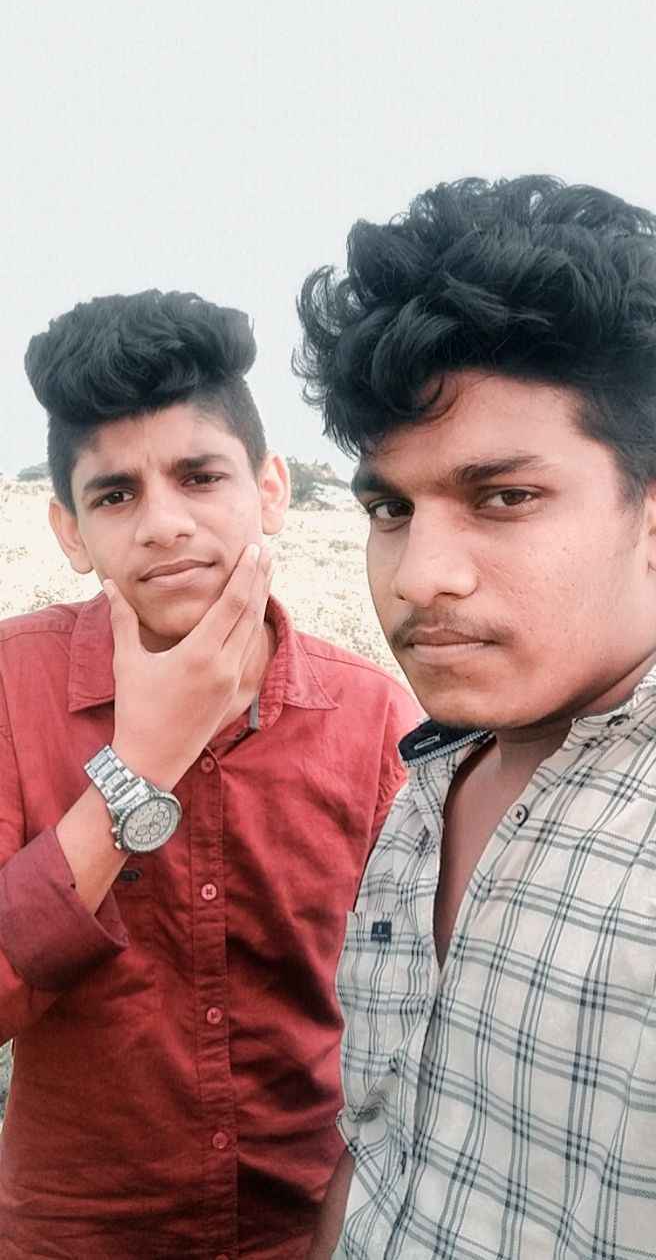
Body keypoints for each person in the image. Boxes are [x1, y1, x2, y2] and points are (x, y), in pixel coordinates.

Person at [0, 290, 417, 1260]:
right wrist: (140, 765)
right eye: (116, 494)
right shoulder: (12, 689)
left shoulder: (371, 718)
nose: (163, 523)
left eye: (199, 476)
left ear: (269, 489)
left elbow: (415, 1025)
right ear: (70, 531)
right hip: (75, 1235)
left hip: (308, 1227)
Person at [294, 176, 656, 1259]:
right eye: (389, 508)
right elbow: (377, 1143)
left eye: (503, 497)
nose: (419, 574)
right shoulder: (425, 786)